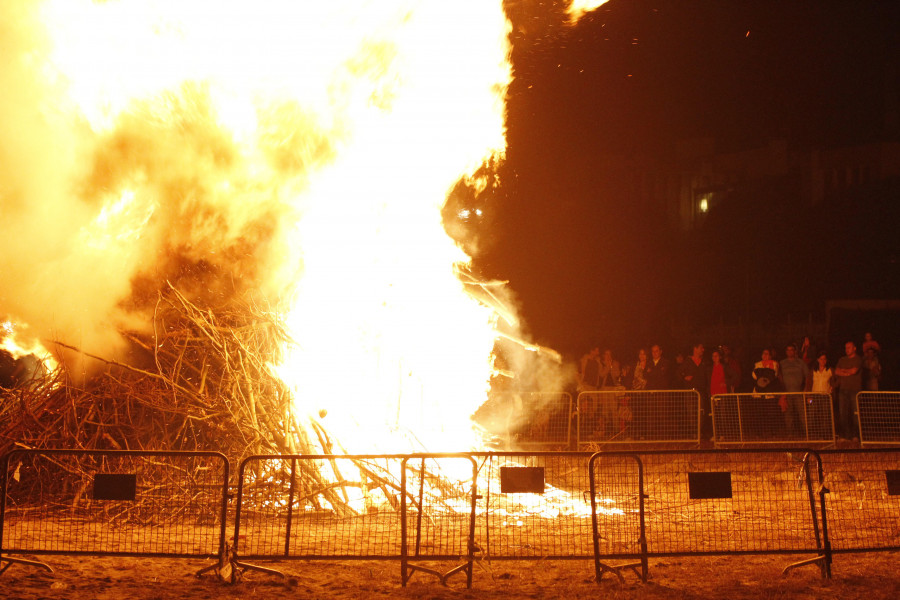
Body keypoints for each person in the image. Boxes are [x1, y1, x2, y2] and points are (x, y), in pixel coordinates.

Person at [677, 343, 710, 439]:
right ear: (695, 349)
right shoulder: (688, 361)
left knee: (701, 412)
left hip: (701, 391)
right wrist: (684, 377)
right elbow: (678, 373)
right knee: (692, 412)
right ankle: (694, 432)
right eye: (701, 348)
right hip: (691, 392)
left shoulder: (704, 362)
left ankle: (700, 432)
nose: (703, 350)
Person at [835, 341, 863, 440]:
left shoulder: (858, 359)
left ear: (854, 348)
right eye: (846, 348)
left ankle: (856, 435)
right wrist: (848, 372)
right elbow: (837, 371)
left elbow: (854, 371)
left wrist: (844, 371)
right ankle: (845, 435)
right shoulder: (842, 359)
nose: (847, 349)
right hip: (843, 390)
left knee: (855, 414)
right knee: (843, 414)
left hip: (854, 391)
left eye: (849, 347)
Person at [780, 343, 810, 437]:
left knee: (802, 414)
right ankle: (790, 434)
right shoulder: (782, 363)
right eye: (788, 350)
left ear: (795, 351)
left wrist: (806, 389)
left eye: (791, 350)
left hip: (799, 393)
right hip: (787, 393)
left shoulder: (800, 362)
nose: (790, 352)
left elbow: (808, 376)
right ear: (786, 352)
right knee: (788, 415)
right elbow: (778, 376)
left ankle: (807, 434)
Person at [809, 350, 835, 439]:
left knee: (825, 416)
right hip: (815, 396)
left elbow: (836, 380)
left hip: (825, 396)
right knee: (813, 415)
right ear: (818, 360)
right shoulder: (813, 370)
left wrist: (833, 387)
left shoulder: (829, 370)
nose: (823, 361)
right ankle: (813, 434)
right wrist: (808, 396)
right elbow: (809, 383)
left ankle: (825, 435)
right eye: (821, 359)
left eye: (824, 359)